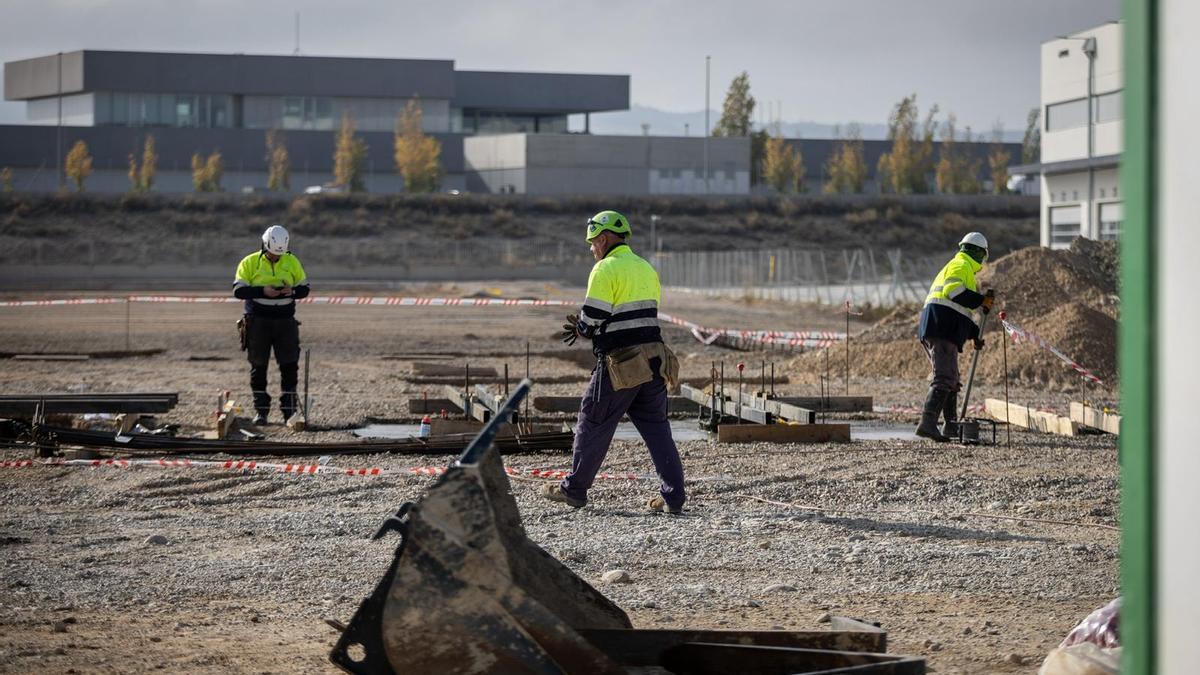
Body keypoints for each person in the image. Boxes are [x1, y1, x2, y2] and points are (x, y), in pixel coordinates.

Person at [541, 210, 686, 514]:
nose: (592, 248)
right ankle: (674, 496)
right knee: (658, 429)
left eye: (593, 242)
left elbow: (593, 318)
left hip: (622, 363)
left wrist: (582, 328)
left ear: (605, 239)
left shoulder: (605, 269)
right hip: (655, 361)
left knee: (592, 420)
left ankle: (575, 489)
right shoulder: (645, 267)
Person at [916, 231, 994, 442]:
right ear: (980, 253)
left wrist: (974, 334)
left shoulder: (964, 268)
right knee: (945, 377)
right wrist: (980, 300)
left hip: (942, 326)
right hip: (940, 328)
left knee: (952, 379)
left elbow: (959, 311)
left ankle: (950, 426)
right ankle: (927, 423)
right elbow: (954, 293)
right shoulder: (961, 264)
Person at [232, 225, 310, 425]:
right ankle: (261, 411)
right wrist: (262, 291)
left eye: (279, 255)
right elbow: (239, 291)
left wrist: (290, 291)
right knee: (258, 367)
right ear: (264, 245)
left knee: (290, 366)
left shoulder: (291, 261)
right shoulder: (249, 262)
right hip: (258, 322)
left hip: (285, 323)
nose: (275, 258)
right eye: (272, 254)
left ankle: (289, 412)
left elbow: (305, 289)